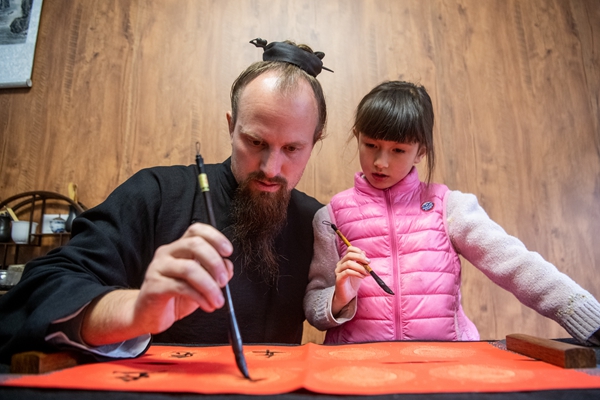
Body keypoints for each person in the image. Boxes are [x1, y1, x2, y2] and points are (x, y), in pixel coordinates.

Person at [0, 38, 332, 363]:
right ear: (231, 127)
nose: (270, 168)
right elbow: (38, 291)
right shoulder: (155, 193)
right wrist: (136, 309)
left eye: (292, 149)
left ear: (314, 143)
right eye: (256, 141)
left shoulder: (317, 223)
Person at [304, 80, 600, 344]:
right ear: (358, 137)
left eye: (398, 150)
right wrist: (340, 297)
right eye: (371, 145)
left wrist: (588, 317)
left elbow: (516, 264)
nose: (381, 161)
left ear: (421, 151)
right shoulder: (330, 217)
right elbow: (314, 307)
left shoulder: (449, 207)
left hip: (447, 369)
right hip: (359, 371)